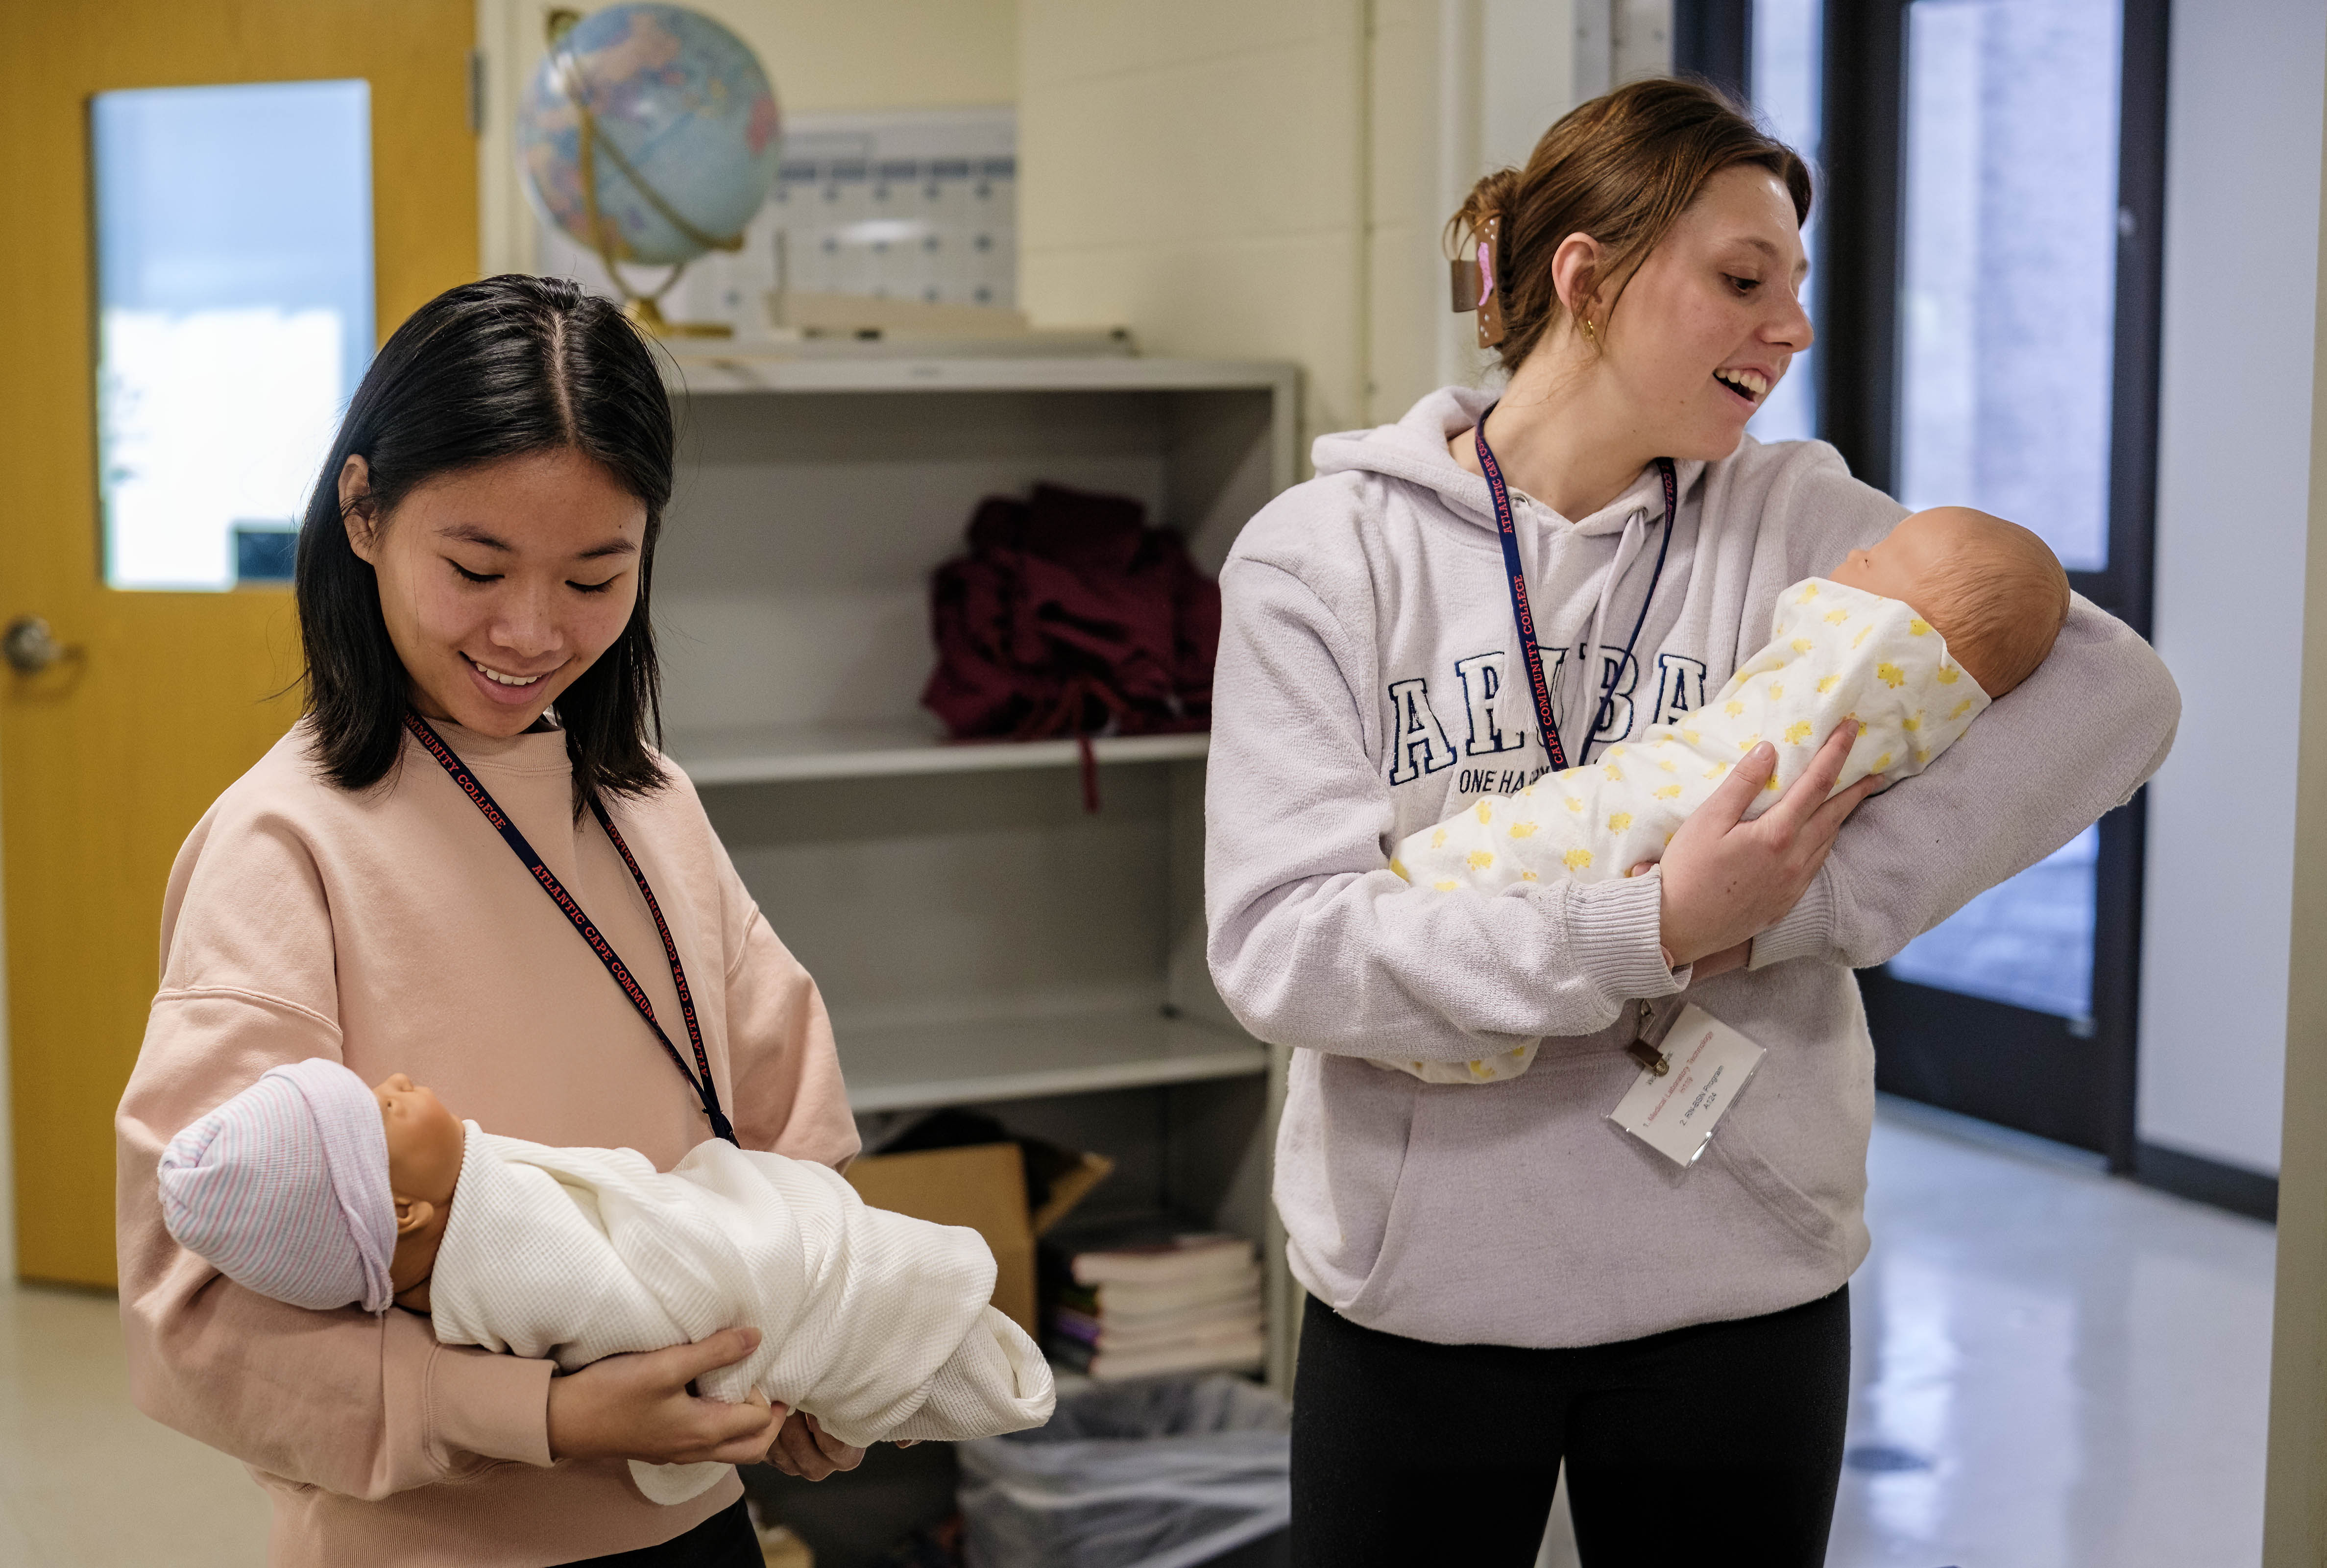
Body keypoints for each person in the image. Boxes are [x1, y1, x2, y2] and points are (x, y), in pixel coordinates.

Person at [1203, 79, 2179, 1566]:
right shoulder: (1325, 554)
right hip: (1424, 1289)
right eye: (1740, 281)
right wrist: (1648, 926)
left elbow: (2114, 695)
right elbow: (1284, 954)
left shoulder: (1796, 518)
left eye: (1792, 287)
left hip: (1739, 1281)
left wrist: (1786, 904)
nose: (1787, 329)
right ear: (1583, 277)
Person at [116, 274, 866, 1567]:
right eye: (475, 567)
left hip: (697, 1523)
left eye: (594, 576)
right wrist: (547, 1415)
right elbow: (194, 1321)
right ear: (361, 511)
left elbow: (786, 1126)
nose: (531, 631)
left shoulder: (650, 804)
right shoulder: (284, 846)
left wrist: (834, 1349)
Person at [153, 1058, 1052, 1509]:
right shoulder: (501, 1252)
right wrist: (785, 1335)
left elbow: (777, 1066)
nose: (395, 1079)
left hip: (700, 1514)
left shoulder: (654, 805)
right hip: (474, 1536)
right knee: (893, 1315)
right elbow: (658, 1298)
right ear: (405, 1211)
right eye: (385, 1108)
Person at [1386, 504, 2066, 1084]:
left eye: (1883, 556)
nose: (1858, 550)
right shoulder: (1350, 532)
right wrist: (1677, 921)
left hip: (1681, 811)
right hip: (1419, 1195)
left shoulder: (1870, 664)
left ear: (1902, 632)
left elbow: (2131, 691)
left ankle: (1446, 899)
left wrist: (1785, 909)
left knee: (1570, 835)